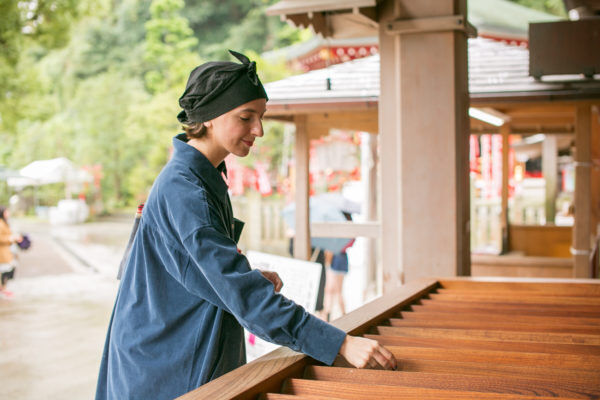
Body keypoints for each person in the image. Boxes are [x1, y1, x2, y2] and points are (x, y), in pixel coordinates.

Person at [95, 51, 396, 400]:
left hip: (172, 349)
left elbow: (197, 270)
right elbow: (243, 296)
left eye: (261, 117)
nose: (260, 130)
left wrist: (244, 276)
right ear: (209, 117)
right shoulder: (184, 188)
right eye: (246, 117)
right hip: (165, 365)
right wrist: (339, 342)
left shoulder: (201, 176)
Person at [0, 206, 22, 299]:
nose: (8, 214)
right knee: (5, 270)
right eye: (6, 212)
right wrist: (11, 238)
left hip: (7, 250)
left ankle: (3, 288)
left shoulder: (5, 223)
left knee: (7, 269)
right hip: (3, 251)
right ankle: (3, 288)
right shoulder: (1, 224)